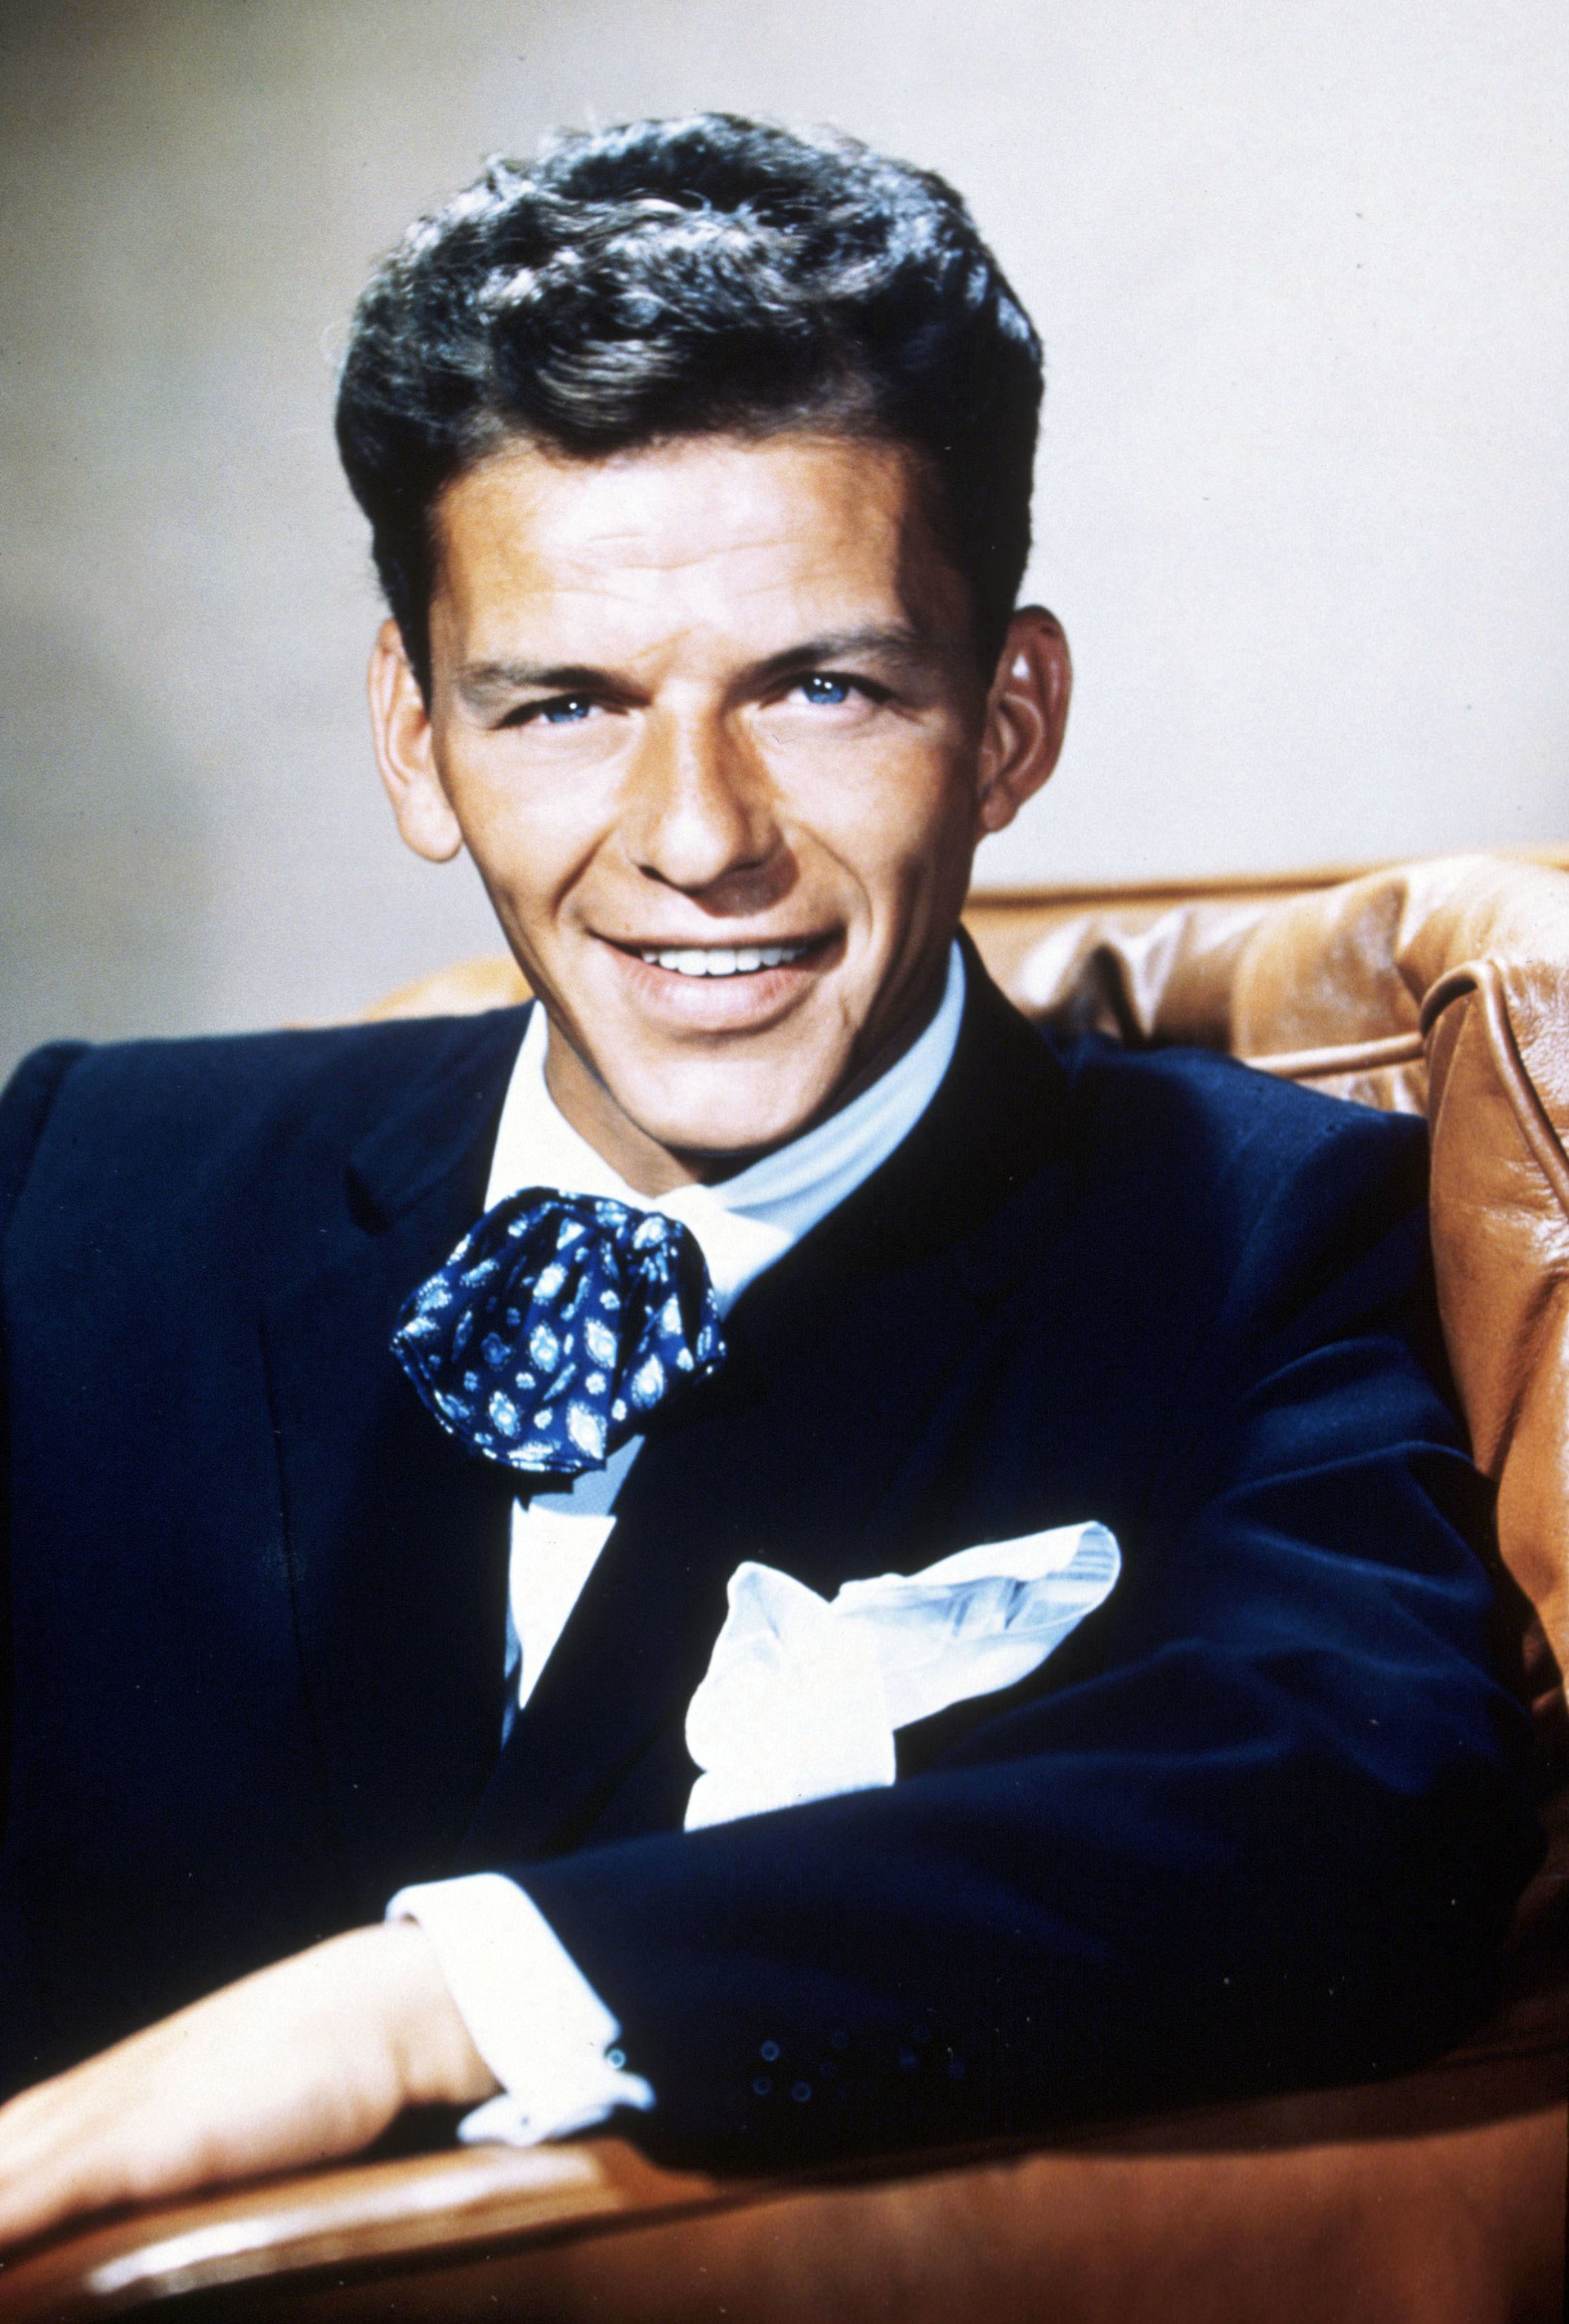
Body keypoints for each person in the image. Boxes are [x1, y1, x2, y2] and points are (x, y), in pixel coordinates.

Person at [0, 114, 1540, 2247]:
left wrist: (421, 2004)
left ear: (1008, 720)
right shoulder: (84, 1175)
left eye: (821, 688)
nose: (696, 835)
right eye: (562, 704)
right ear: (416, 735)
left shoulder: (1267, 1230)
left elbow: (1358, 1807)